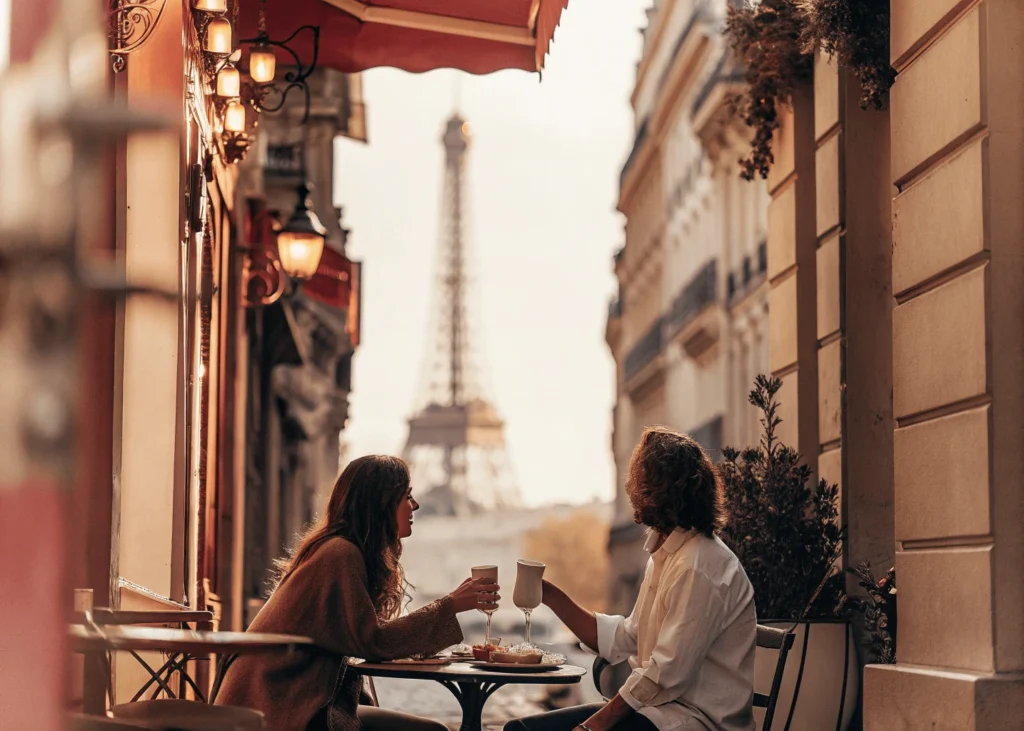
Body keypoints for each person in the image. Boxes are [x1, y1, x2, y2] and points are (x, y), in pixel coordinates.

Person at [215, 455, 499, 731]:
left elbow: (366, 638)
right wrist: (449, 605)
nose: (415, 505)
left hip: (286, 696)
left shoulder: (338, 549)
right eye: (406, 496)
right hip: (283, 703)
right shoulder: (341, 553)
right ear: (380, 502)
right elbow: (373, 641)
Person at [508, 427, 756, 731]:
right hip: (658, 712)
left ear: (657, 491)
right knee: (519, 729)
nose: (629, 487)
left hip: (696, 721)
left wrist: (593, 726)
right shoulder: (668, 553)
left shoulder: (698, 566)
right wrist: (549, 595)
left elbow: (664, 674)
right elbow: (628, 637)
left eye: (637, 476)